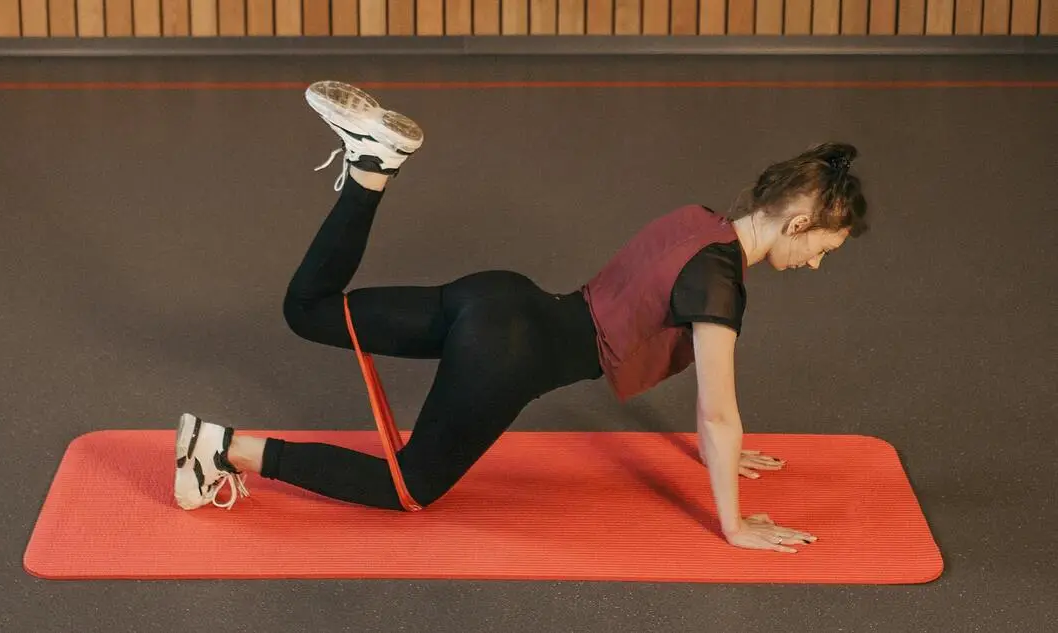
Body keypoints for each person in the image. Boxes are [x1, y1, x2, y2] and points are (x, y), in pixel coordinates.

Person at [173, 80, 868, 554]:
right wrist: (737, 523)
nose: (815, 263)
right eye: (822, 249)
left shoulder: (702, 224)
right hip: (505, 351)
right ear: (800, 220)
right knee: (408, 488)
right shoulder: (721, 285)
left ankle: (370, 169)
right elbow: (717, 411)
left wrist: (728, 453)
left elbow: (657, 323)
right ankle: (223, 448)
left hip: (500, 297)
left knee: (308, 310)